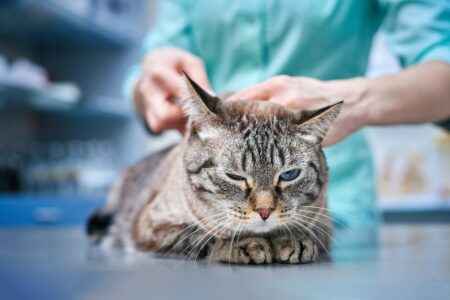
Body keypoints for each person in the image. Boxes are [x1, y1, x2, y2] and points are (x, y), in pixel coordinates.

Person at [124, 0, 450, 227]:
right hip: (210, 206)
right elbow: (146, 77)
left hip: (328, 201)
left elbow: (440, 59)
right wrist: (150, 87)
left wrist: (354, 100)